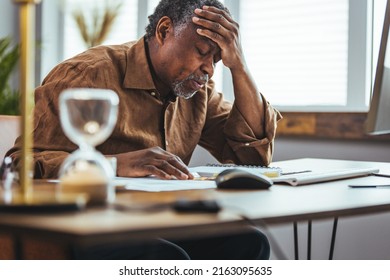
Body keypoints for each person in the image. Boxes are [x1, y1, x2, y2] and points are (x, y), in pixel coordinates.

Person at [6, 0, 281, 259]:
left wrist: (240, 66)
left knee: (250, 242)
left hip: (158, 219)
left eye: (218, 59)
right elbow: (23, 165)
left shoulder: (198, 91)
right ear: (164, 31)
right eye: (201, 52)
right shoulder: (86, 74)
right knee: (169, 259)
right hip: (89, 224)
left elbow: (252, 157)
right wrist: (115, 165)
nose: (208, 69)